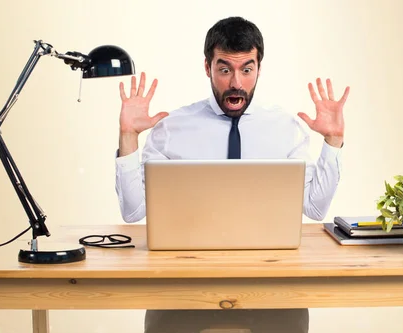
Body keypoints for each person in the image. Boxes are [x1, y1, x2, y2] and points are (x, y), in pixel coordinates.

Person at [115, 16, 349, 333]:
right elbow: (132, 211)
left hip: (272, 286)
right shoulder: (171, 128)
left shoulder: (286, 128)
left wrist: (332, 142)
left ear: (259, 69)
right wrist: (128, 136)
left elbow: (316, 208)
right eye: (224, 69)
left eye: (246, 69)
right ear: (207, 67)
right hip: (183, 286)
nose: (236, 82)